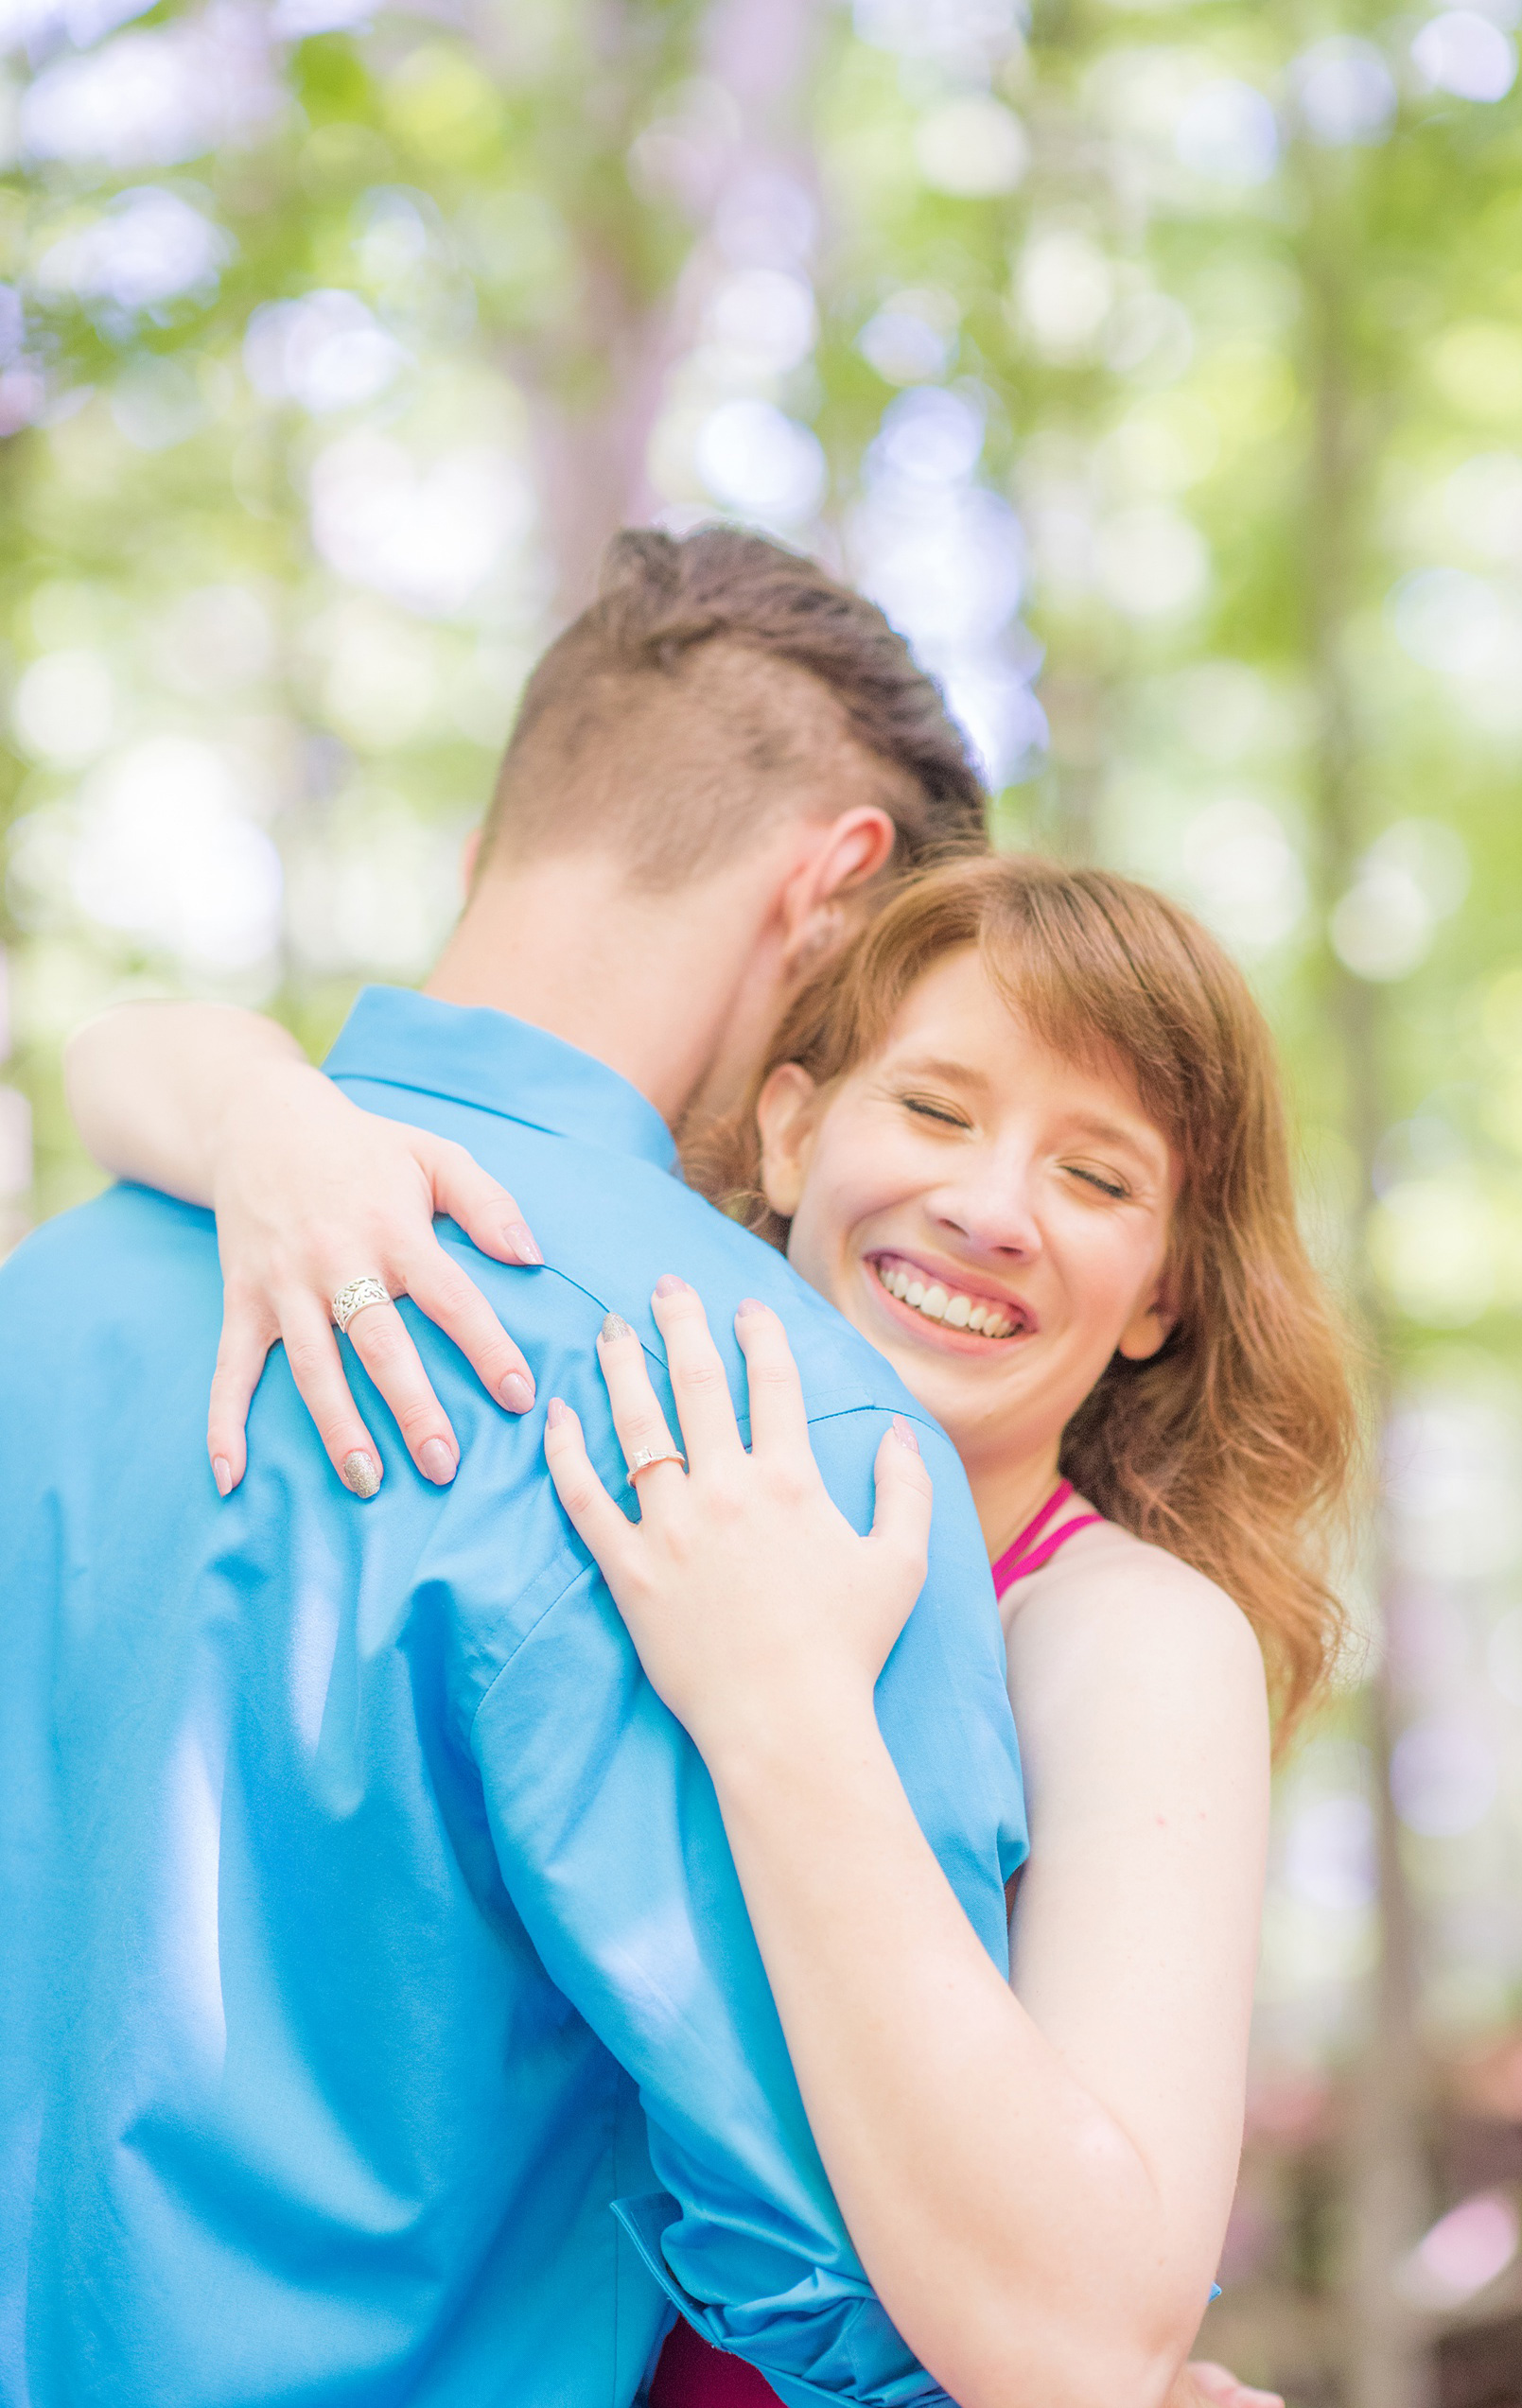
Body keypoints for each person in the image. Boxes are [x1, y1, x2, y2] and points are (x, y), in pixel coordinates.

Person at [67, 849, 1352, 2406]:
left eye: (1100, 1178)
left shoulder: (1128, 1637)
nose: (991, 1206)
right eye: (938, 1110)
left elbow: (1088, 2339)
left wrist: (783, 1706)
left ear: (1158, 1291)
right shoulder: (633, 1423)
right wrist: (272, 1125)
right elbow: (119, 1050)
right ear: (797, 1129)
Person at [3, 527, 1035, 2408]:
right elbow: (892, 2283)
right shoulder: (765, 1422)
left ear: (496, 846)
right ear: (835, 887)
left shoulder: (38, 1307)